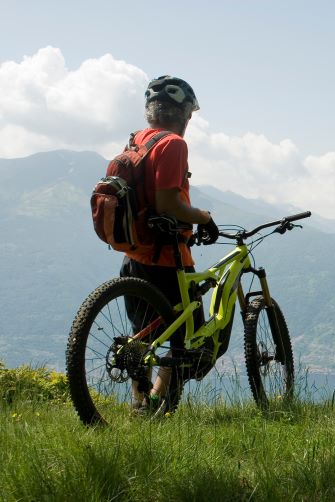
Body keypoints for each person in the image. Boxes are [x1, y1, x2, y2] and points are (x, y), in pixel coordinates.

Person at [121, 75, 219, 411]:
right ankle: (158, 406)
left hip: (134, 254)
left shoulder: (137, 140)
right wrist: (203, 217)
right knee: (191, 343)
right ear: (186, 113)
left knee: (143, 336)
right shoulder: (173, 145)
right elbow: (168, 205)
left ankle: (139, 405)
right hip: (167, 258)